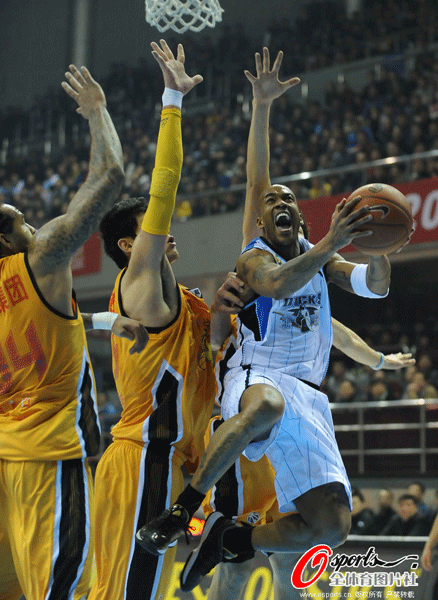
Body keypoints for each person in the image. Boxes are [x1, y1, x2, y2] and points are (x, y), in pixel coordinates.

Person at [136, 46, 394, 593]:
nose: (278, 201)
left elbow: (373, 287)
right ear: (262, 217)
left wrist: (379, 244)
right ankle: (184, 511)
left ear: (299, 217)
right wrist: (261, 106)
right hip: (256, 378)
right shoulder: (256, 256)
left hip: (309, 395)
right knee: (268, 403)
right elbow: (276, 278)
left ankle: (233, 541)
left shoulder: (322, 256)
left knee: (332, 527)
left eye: (288, 199)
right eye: (272, 199)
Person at [88, 40, 243, 600]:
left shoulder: (176, 298)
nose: (166, 230)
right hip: (144, 457)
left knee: (127, 588)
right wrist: (172, 98)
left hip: (169, 458)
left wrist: (223, 316)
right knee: (131, 591)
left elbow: (205, 359)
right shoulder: (139, 283)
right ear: (131, 244)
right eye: (151, 227)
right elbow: (165, 183)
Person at [0, 64, 126, 600]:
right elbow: (110, 179)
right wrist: (96, 109)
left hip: (8, 458)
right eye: (24, 221)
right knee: (65, 590)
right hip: (53, 453)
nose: (34, 225)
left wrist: (105, 321)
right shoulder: (41, 258)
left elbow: (50, 325)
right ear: (10, 238)